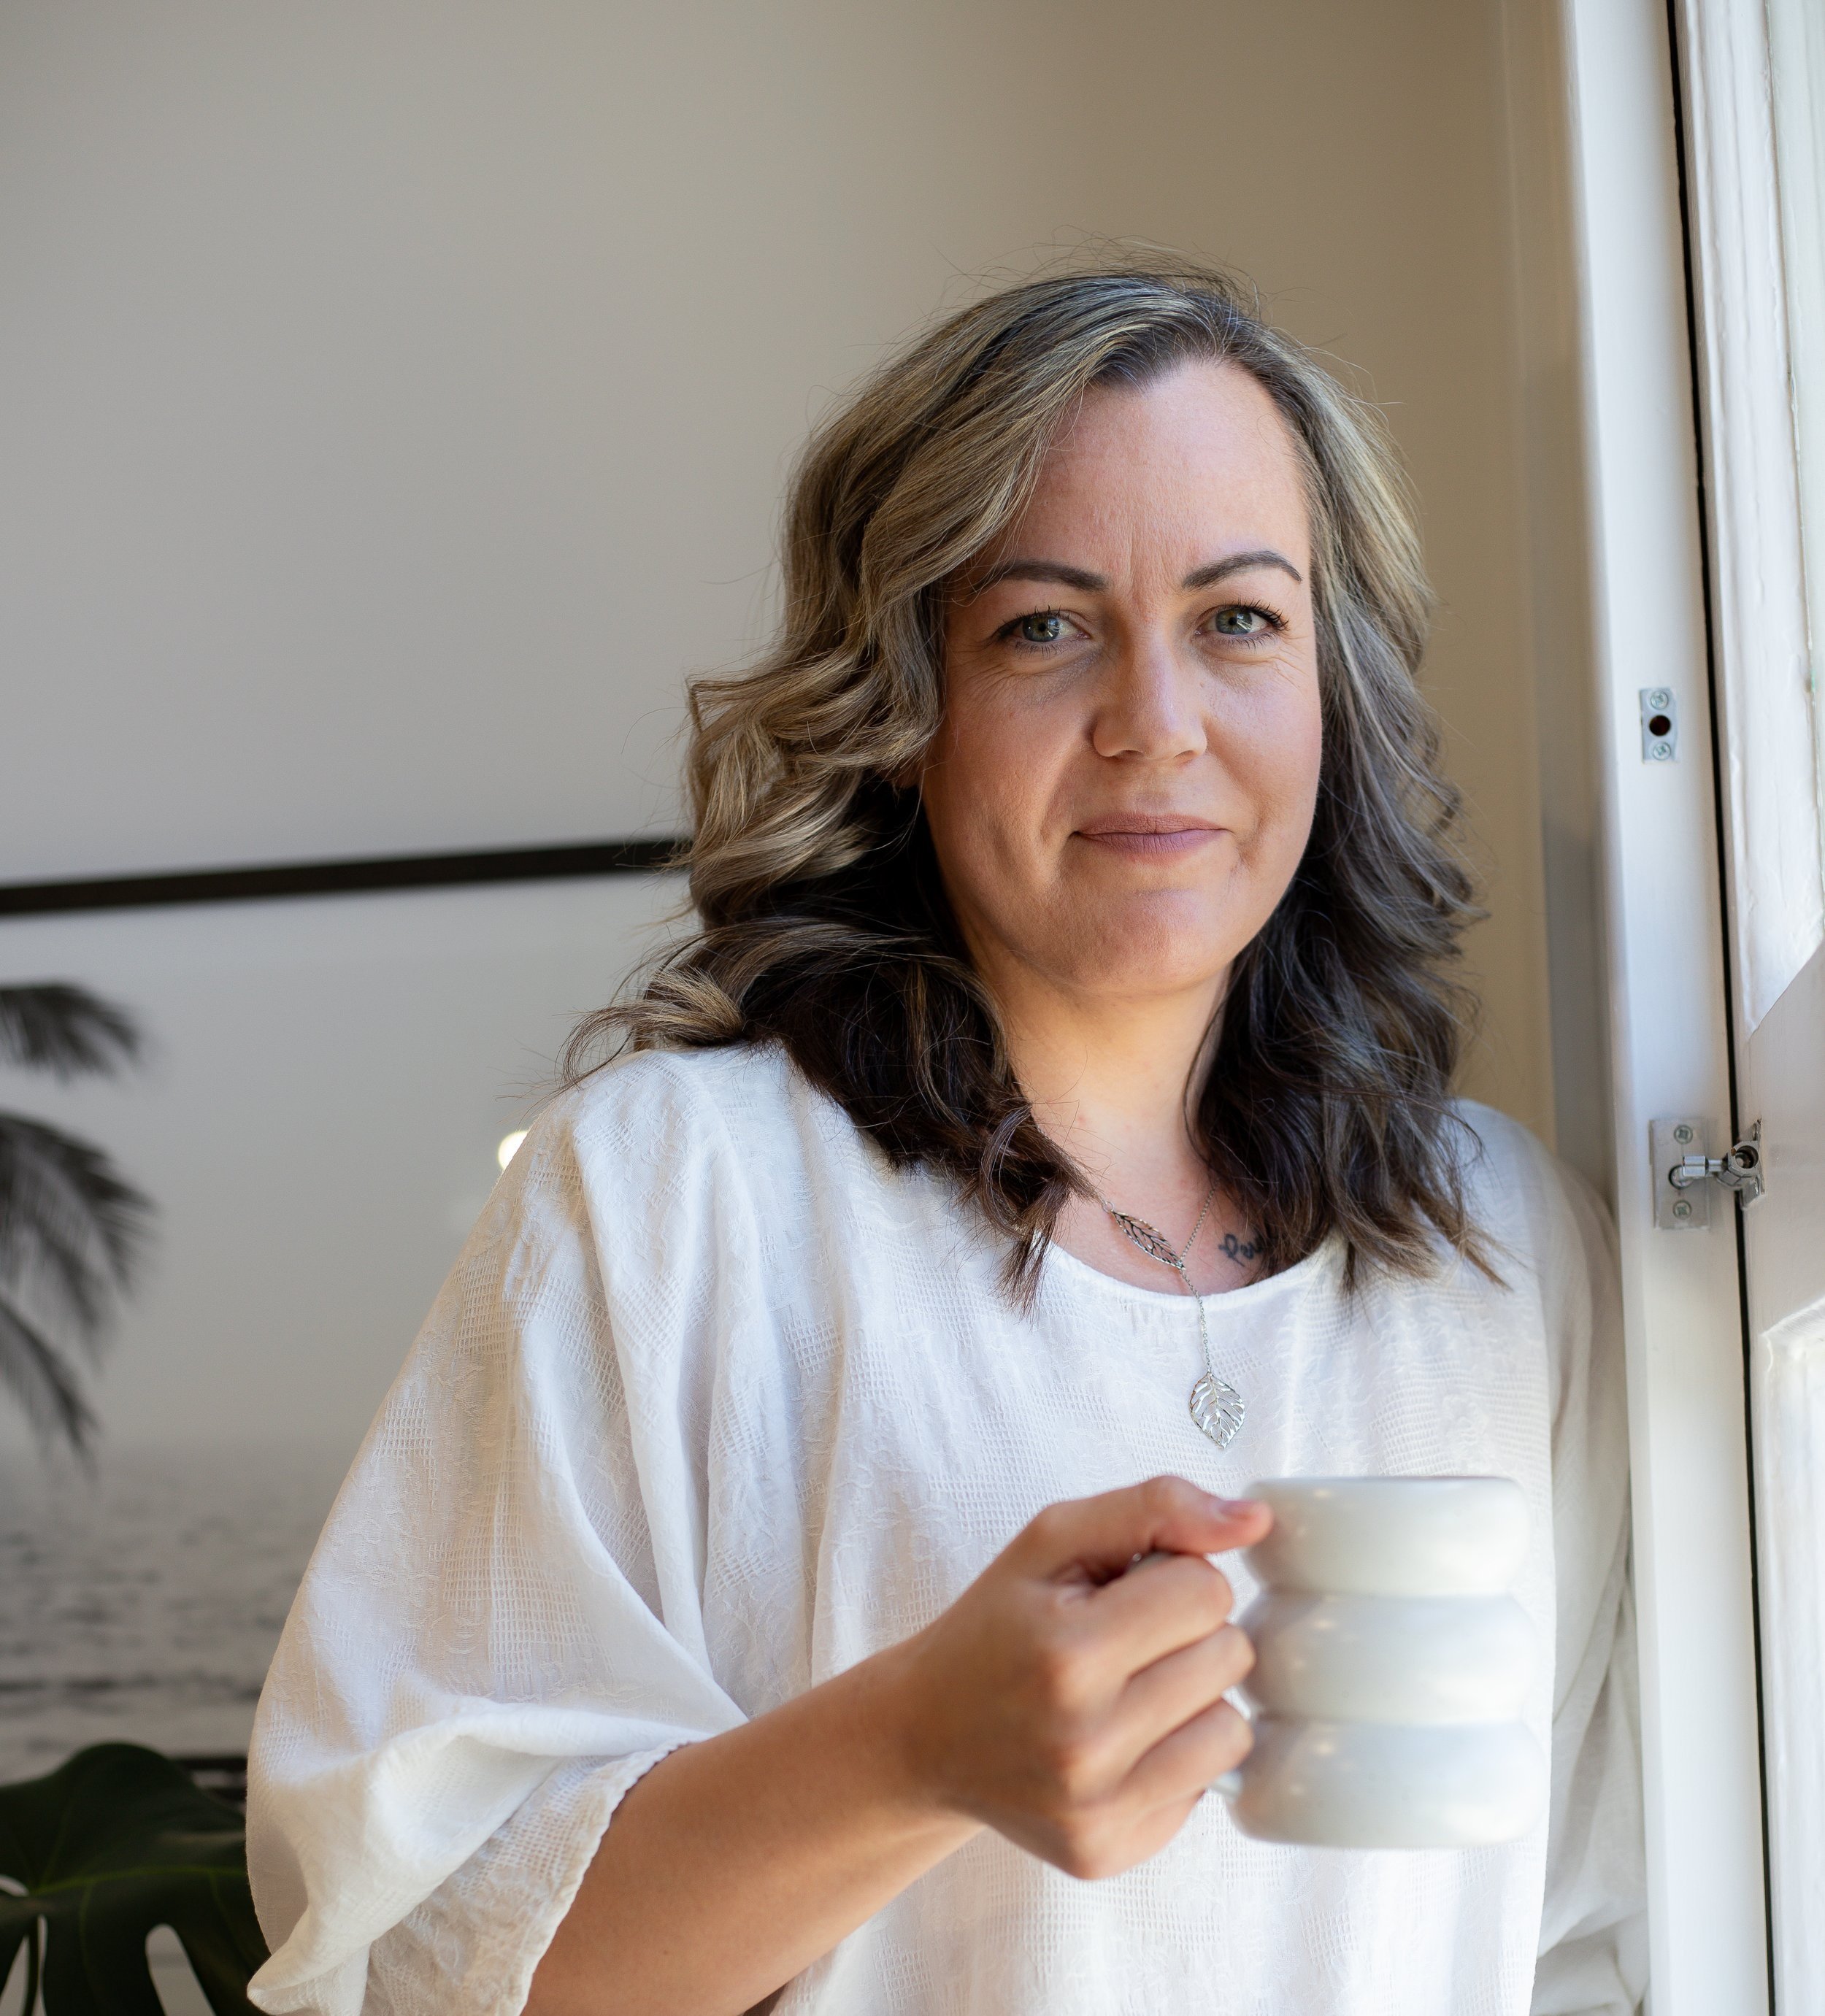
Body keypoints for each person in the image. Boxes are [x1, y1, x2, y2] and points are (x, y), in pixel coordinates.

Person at [244, 263, 1645, 2016]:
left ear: (1331, 693)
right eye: (1043, 625)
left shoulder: (1506, 1254)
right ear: (906, 704)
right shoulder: (673, 1200)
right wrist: (908, 1746)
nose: (1155, 719)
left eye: (1237, 619)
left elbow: (1599, 1930)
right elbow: (414, 1971)